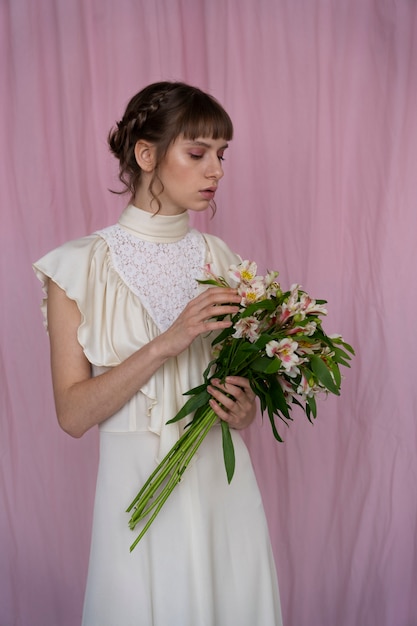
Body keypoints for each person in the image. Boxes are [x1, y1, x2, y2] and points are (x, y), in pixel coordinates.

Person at [34, 81, 283, 626]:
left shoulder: (225, 261)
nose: (215, 170)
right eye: (197, 153)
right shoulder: (77, 267)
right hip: (137, 491)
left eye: (221, 155)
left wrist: (244, 411)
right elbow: (73, 415)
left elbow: (236, 386)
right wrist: (169, 342)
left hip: (223, 487)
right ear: (146, 154)